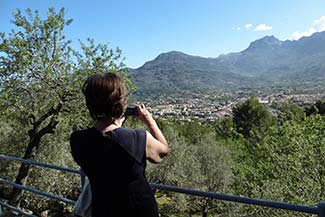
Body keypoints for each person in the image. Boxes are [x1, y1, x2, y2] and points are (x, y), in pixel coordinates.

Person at [70, 72, 169, 217]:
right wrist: (149, 120)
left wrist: (117, 122)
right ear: (121, 104)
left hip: (102, 210)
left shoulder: (77, 140)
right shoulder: (137, 138)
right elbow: (162, 151)